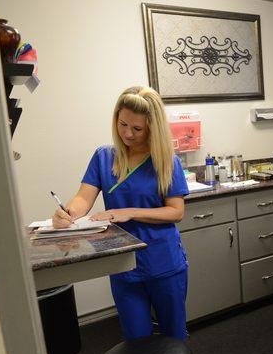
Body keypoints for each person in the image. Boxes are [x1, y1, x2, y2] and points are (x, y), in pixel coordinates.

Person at [52, 86, 190, 341]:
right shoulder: (104, 157)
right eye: (122, 123)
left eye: (137, 129)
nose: (127, 133)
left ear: (152, 127)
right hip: (122, 262)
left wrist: (130, 212)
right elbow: (84, 197)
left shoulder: (166, 161)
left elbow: (176, 211)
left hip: (163, 261)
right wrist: (67, 212)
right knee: (136, 340)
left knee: (173, 337)